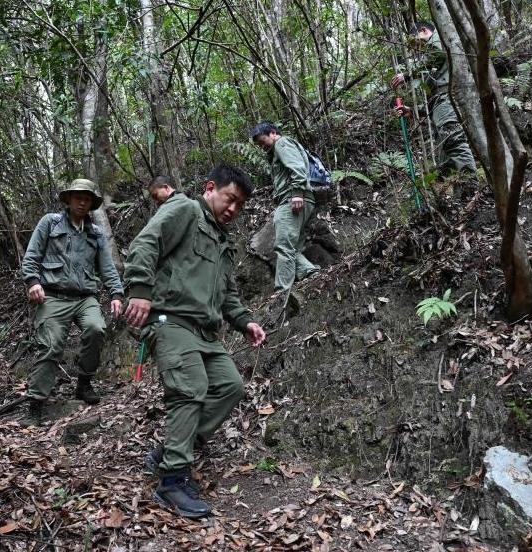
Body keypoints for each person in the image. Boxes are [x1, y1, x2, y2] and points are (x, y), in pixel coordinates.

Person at [123, 164, 267, 518]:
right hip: (169, 320)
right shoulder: (185, 209)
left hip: (204, 332)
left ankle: (174, 448)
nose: (233, 209)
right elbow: (146, 242)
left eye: (239, 205)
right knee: (191, 387)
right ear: (210, 188)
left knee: (230, 385)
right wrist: (140, 290)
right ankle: (172, 481)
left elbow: (228, 294)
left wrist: (245, 321)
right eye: (230, 198)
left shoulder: (224, 243)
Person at [20, 179, 124, 419]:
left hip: (84, 297)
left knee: (96, 329)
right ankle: (35, 403)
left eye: (87, 198)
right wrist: (32, 281)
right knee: (52, 344)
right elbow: (32, 256)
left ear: (91, 204)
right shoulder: (50, 223)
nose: (82, 202)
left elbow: (107, 269)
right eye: (78, 197)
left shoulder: (95, 234)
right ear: (68, 199)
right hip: (53, 296)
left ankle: (84, 383)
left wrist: (116, 294)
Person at [391, 21, 476, 177]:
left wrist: (408, 75)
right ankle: (463, 195)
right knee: (446, 154)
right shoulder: (432, 57)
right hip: (440, 104)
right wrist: (415, 112)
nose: (417, 47)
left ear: (423, 31)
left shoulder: (438, 39)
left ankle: (471, 188)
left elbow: (438, 56)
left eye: (415, 40)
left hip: (448, 99)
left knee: (454, 143)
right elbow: (436, 96)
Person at [250, 122, 319, 293]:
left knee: (283, 245)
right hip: (301, 199)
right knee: (292, 247)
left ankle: (282, 291)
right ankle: (311, 273)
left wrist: (296, 193)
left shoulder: (282, 143)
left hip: (293, 199)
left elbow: (297, 167)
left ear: (273, 133)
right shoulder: (280, 148)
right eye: (258, 144)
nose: (261, 146)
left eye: (262, 141)